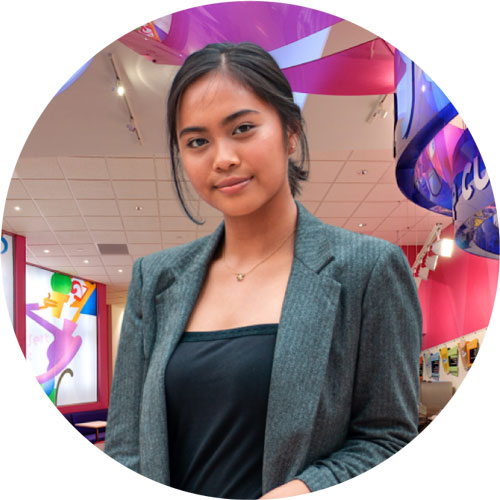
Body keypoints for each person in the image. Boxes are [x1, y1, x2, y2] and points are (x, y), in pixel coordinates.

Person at [105, 42, 422, 499]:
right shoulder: (154, 279)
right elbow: (126, 446)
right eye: (197, 141)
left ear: (290, 132)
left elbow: (388, 437)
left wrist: (311, 488)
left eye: (243, 128)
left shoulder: (368, 270)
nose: (222, 158)